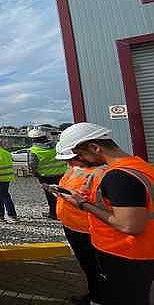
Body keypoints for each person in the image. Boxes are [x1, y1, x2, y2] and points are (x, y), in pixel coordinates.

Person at [58, 122, 154, 305]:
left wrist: (83, 204)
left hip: (126, 255)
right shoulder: (140, 166)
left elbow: (130, 225)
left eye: (79, 156)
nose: (76, 163)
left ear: (95, 147)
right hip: (141, 252)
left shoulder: (119, 176)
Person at [53, 147, 104, 305]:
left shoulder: (102, 173)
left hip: (88, 230)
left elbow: (98, 204)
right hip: (72, 227)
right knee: (87, 267)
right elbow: (66, 186)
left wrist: (73, 199)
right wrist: (58, 192)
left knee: (96, 269)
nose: (69, 163)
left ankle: (99, 298)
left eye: (72, 159)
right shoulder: (74, 169)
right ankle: (94, 294)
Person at [28, 128, 68, 220]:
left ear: (33, 139)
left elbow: (32, 165)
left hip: (45, 177)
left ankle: (54, 213)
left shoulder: (34, 150)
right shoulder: (57, 146)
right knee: (63, 194)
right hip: (62, 174)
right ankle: (65, 212)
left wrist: (36, 175)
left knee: (51, 196)